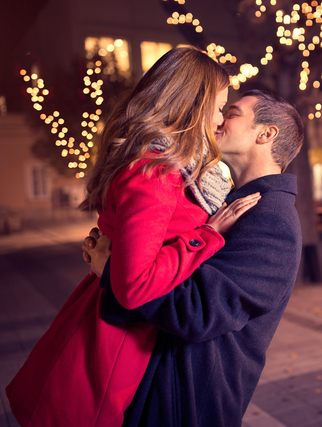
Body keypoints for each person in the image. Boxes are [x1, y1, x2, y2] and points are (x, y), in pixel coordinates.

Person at [6, 47, 260, 427]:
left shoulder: (171, 165)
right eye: (219, 106)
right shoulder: (154, 172)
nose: (221, 119)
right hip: (116, 342)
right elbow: (134, 285)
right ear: (193, 103)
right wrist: (207, 235)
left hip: (129, 332)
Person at [84, 89, 305, 426]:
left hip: (191, 399)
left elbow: (198, 311)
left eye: (231, 113)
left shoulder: (272, 218)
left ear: (266, 134)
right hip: (172, 382)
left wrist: (114, 273)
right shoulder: (236, 203)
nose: (217, 120)